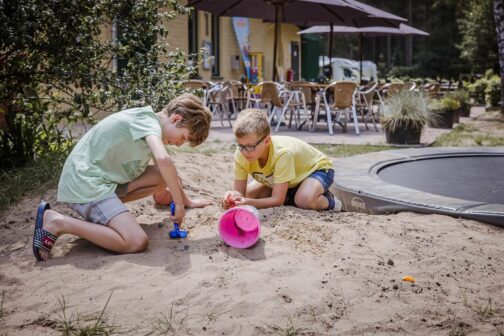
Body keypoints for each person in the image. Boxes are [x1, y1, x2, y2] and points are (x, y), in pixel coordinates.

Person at [32, 93, 212, 261]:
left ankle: (105, 214)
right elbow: (164, 160)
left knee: (162, 176)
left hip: (104, 182)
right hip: (86, 183)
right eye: (183, 137)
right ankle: (59, 222)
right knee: (136, 241)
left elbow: (164, 171)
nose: (180, 144)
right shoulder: (147, 121)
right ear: (175, 119)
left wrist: (185, 200)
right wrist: (178, 205)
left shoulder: (151, 125)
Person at [222, 109, 341, 211]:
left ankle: (332, 203)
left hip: (317, 170)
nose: (244, 151)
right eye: (240, 145)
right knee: (250, 195)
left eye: (250, 146)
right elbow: (240, 193)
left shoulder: (282, 153)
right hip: (287, 178)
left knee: (304, 200)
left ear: (267, 141)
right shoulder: (240, 154)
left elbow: (277, 201)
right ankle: (291, 194)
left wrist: (248, 202)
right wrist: (232, 197)